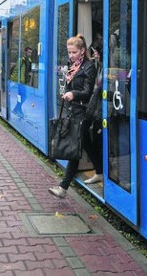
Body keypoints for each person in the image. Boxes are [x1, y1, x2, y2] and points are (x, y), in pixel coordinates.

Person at [48, 34, 97, 198]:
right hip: (71, 111)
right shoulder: (72, 66)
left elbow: (87, 92)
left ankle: (63, 188)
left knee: (74, 148)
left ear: (82, 51)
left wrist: (73, 94)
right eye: (69, 52)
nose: (71, 56)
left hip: (82, 113)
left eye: (74, 52)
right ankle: (100, 170)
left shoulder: (89, 67)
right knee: (87, 144)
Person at [83, 43, 104, 184]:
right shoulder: (99, 66)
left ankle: (100, 171)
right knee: (91, 140)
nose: (94, 54)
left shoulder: (103, 68)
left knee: (96, 142)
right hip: (95, 110)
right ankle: (100, 171)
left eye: (96, 52)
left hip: (99, 111)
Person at [11, 46, 34, 116]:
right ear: (25, 52)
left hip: (25, 82)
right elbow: (16, 70)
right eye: (29, 52)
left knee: (21, 96)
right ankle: (17, 109)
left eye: (31, 52)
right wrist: (14, 81)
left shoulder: (29, 60)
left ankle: (18, 109)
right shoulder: (21, 60)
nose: (30, 54)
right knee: (23, 96)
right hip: (20, 82)